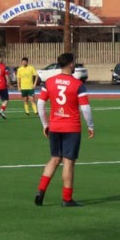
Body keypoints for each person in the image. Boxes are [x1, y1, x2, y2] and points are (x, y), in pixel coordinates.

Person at [36, 53, 95, 208]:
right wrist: (90, 126)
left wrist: (45, 124)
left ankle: (40, 191)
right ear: (70, 64)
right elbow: (85, 108)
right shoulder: (77, 84)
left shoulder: (49, 82)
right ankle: (67, 199)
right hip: (71, 127)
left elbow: (40, 104)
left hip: (55, 126)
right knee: (68, 162)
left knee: (54, 158)